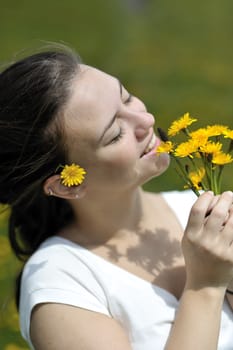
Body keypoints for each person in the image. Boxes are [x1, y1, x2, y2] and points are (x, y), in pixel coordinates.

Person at [0, 45, 233, 350]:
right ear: (69, 185)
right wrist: (205, 287)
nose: (145, 121)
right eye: (115, 133)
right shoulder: (61, 283)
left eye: (126, 97)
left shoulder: (199, 208)